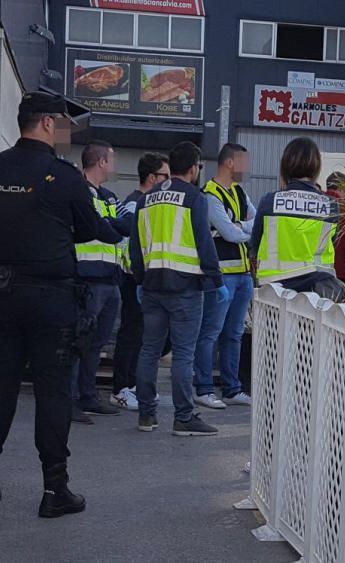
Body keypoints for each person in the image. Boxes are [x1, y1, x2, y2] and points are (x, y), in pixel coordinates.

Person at [0, 91, 116, 518]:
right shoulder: (63, 175)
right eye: (65, 125)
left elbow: (5, 220)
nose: (68, 133)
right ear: (49, 123)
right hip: (51, 298)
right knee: (52, 392)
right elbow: (89, 229)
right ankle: (55, 491)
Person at [129, 141, 225, 436]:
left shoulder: (147, 199)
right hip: (186, 286)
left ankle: (146, 415)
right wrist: (216, 279)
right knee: (184, 354)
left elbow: (136, 243)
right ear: (194, 168)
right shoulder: (195, 197)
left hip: (153, 284)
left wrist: (139, 278)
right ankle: (183, 417)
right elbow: (203, 241)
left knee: (149, 350)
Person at [193, 143, 255, 410]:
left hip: (243, 275)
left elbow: (257, 221)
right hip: (221, 277)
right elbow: (230, 234)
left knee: (234, 333)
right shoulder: (209, 194)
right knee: (211, 332)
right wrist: (243, 227)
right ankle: (203, 388)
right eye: (244, 162)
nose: (247, 168)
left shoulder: (239, 192)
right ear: (230, 162)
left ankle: (232, 389)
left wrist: (239, 226)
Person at [70, 140, 126, 424]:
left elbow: (123, 225)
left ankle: (88, 397)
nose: (115, 166)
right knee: (78, 342)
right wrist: (111, 226)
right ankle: (69, 403)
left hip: (110, 279)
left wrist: (110, 226)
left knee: (96, 344)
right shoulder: (79, 191)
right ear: (102, 162)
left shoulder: (108, 196)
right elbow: (102, 227)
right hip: (87, 279)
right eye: (112, 160)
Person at [249, 137, 345, 300]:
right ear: (316, 169)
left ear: (285, 167)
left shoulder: (270, 202)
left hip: (274, 292)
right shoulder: (331, 206)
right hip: (317, 294)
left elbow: (254, 246)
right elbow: (332, 242)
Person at [110, 152, 170, 411]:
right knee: (131, 334)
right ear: (151, 177)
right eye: (165, 176)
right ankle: (121, 388)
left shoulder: (149, 202)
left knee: (146, 336)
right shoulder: (136, 204)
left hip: (146, 278)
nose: (168, 181)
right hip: (133, 278)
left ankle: (133, 384)